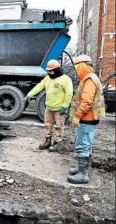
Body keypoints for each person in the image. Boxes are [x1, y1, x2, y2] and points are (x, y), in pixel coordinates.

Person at [67, 54, 105, 184]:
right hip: (89, 118)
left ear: (83, 66)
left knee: (83, 144)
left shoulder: (89, 80)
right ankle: (82, 168)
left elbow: (86, 102)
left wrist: (76, 117)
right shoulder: (90, 78)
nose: (76, 70)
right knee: (86, 144)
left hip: (86, 118)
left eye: (77, 67)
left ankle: (83, 174)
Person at [24, 59, 73, 151]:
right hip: (49, 107)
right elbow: (39, 86)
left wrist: (64, 107)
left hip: (60, 108)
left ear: (57, 69)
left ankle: (57, 143)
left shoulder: (66, 79)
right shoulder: (47, 78)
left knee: (59, 126)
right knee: (47, 125)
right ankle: (47, 141)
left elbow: (69, 94)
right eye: (48, 71)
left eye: (51, 71)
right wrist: (29, 94)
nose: (49, 73)